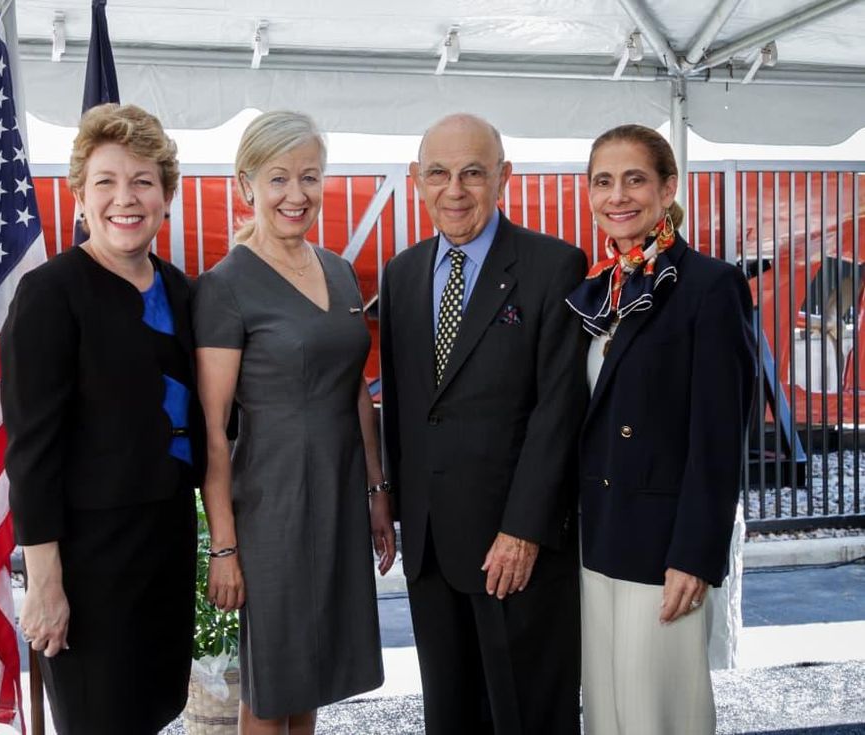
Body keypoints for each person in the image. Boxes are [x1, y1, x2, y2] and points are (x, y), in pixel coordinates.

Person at [379, 113, 589, 735]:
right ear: (416, 181)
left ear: (504, 177)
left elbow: (559, 410)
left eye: (473, 171)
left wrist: (523, 530)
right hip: (430, 547)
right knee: (448, 715)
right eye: (439, 173)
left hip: (514, 549)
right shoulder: (402, 273)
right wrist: (392, 506)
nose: (456, 189)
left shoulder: (554, 267)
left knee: (527, 716)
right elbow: (406, 400)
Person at [1, 103, 204, 735]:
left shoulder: (181, 289)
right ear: (81, 199)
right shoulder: (51, 294)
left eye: (143, 181)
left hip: (166, 541)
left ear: (166, 196)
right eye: (107, 182)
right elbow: (32, 452)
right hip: (88, 562)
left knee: (152, 710)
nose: (127, 198)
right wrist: (45, 582)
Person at [192, 110, 395, 735]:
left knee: (315, 670)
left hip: (335, 493)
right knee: (275, 679)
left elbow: (355, 387)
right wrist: (224, 546)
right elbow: (212, 429)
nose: (296, 194)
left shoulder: (337, 269)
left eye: (310, 177)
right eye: (278, 178)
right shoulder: (225, 286)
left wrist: (376, 489)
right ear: (246, 184)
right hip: (271, 503)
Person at [566, 124, 756, 735]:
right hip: (596, 540)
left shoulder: (709, 284)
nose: (617, 196)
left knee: (657, 717)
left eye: (634, 179)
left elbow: (718, 437)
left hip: (663, 549)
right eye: (603, 181)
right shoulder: (598, 289)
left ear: (668, 187)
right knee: (608, 713)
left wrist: (694, 557)